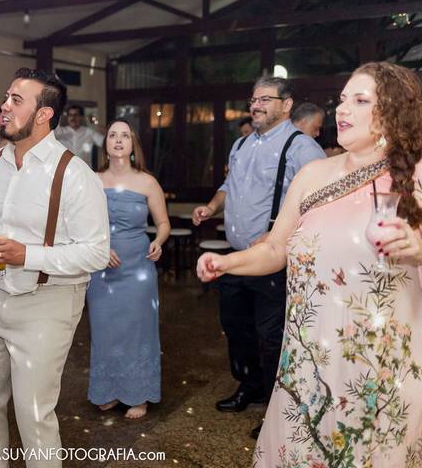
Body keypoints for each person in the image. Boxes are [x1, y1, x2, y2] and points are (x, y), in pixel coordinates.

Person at [198, 62, 422, 467]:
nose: (343, 109)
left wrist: (419, 249)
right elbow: (274, 249)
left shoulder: (415, 176)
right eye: (342, 99)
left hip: (377, 367)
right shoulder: (313, 174)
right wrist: (227, 262)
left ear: (394, 109)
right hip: (306, 363)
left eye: (360, 100)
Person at [0, 68, 109, 467]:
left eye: (16, 100)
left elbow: (96, 252)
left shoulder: (74, 174)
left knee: (33, 412)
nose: (4, 107)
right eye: (6, 97)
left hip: (50, 301)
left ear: (43, 114)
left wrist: (28, 255)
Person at [192, 76, 326, 439]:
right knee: (237, 328)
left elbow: (320, 202)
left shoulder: (301, 147)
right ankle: (249, 386)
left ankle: (276, 406)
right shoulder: (241, 144)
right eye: (253, 99)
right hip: (238, 257)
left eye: (265, 99)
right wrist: (212, 206)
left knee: (271, 337)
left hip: (275, 262)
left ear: (287, 104)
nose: (256, 105)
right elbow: (228, 186)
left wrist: (281, 230)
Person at [87, 119, 170, 420]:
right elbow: (80, 224)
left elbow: (163, 223)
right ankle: (108, 390)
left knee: (137, 330)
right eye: (113, 135)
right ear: (106, 144)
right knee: (104, 329)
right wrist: (99, 247)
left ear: (133, 144)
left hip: (138, 267)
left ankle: (138, 393)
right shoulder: (92, 180)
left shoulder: (147, 182)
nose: (119, 140)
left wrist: (158, 241)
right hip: (101, 268)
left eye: (125, 135)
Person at [54, 104, 105, 168]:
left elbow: (104, 143)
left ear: (81, 117)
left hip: (84, 170)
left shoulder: (89, 132)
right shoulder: (59, 132)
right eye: (70, 115)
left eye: (76, 115)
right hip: (64, 170)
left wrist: (106, 131)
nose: (73, 118)